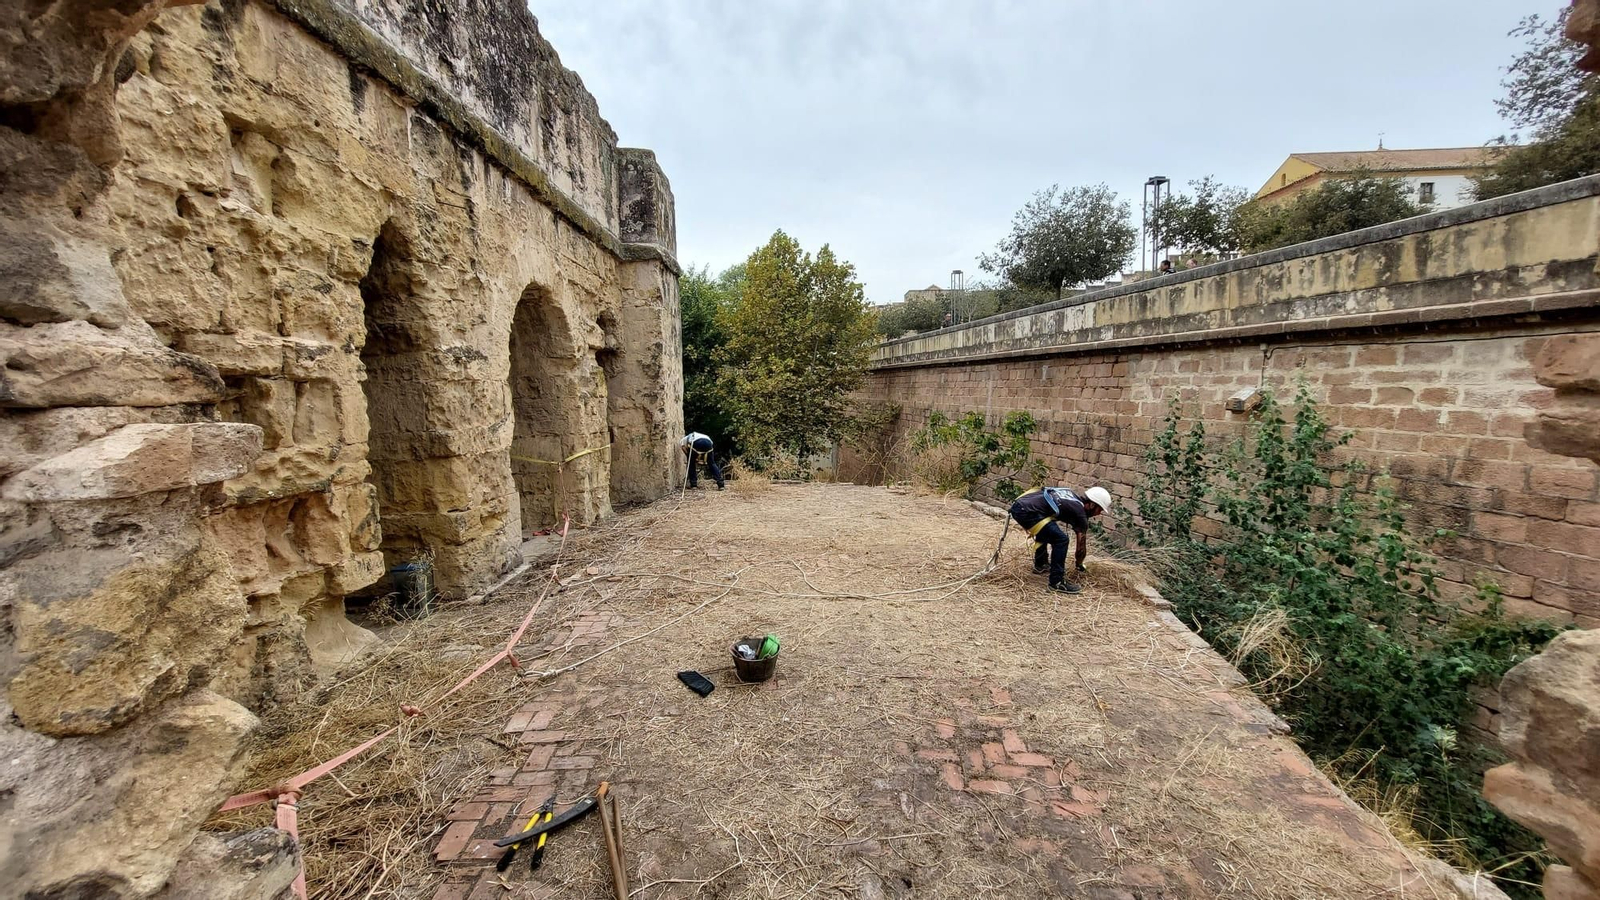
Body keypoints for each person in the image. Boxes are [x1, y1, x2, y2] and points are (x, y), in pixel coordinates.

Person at [1007, 485, 1111, 594]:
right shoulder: (1080, 513)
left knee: (1047, 528)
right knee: (1061, 540)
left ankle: (1041, 564)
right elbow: (1081, 547)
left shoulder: (1070, 494)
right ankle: (1057, 582)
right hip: (1027, 511)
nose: (1099, 514)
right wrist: (1080, 564)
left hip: (1021, 504)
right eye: (1099, 509)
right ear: (1092, 504)